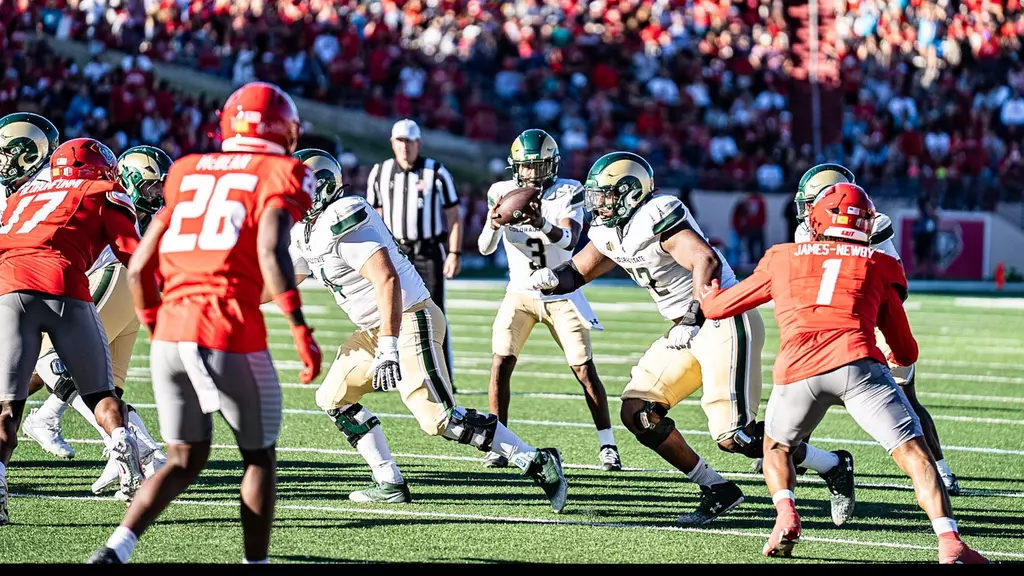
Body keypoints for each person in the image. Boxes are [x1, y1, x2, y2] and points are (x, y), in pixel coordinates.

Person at [88, 81, 322, 564]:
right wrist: (300, 328)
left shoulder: (187, 169)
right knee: (258, 457)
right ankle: (255, 563)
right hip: (229, 330)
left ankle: (116, 549)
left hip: (172, 333)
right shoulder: (286, 171)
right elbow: (271, 250)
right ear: (287, 129)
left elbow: (140, 264)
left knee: (182, 459)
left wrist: (155, 321)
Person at [700, 182, 986, 564]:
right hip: (858, 365)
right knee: (913, 454)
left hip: (797, 371)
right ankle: (950, 542)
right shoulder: (879, 264)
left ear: (816, 219)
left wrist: (707, 290)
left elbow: (718, 308)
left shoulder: (782, 257)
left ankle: (786, 513)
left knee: (777, 448)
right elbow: (905, 351)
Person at [477, 129, 620, 471]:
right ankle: (499, 444)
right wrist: (494, 223)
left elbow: (569, 241)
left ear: (553, 165)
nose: (532, 174)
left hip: (561, 293)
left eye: (539, 166)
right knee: (500, 363)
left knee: (583, 369)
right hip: (520, 293)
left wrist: (541, 223)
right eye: (526, 167)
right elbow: (484, 248)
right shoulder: (500, 191)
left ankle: (608, 444)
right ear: (515, 167)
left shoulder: (569, 190)